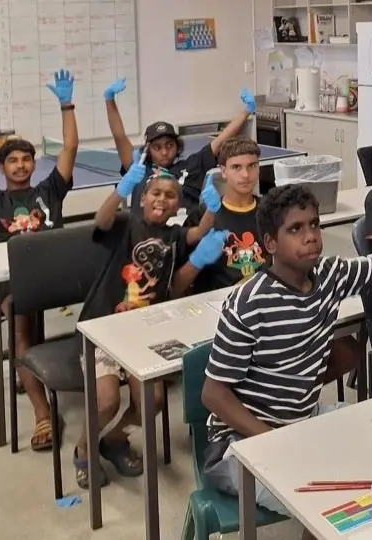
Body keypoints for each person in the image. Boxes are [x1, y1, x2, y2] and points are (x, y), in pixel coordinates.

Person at [200, 143, 372, 540]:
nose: (311, 237)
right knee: (333, 505)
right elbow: (213, 393)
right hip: (239, 443)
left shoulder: (329, 275)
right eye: (296, 229)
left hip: (301, 420)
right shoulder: (249, 302)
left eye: (314, 225)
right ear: (270, 244)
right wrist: (274, 439)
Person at [72, 158, 225, 488]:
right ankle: (84, 446)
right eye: (155, 192)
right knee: (107, 399)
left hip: (143, 332)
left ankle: (112, 439)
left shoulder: (174, 235)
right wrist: (119, 190)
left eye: (171, 195)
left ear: (178, 205)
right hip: (103, 329)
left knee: (153, 402)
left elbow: (198, 232)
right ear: (141, 198)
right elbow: (101, 219)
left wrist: (213, 208)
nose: (162, 199)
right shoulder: (126, 224)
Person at [0, 72, 79, 452]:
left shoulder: (48, 192)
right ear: (2, 168)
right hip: (12, 285)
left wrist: (66, 105)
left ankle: (69, 373)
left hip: (54, 278)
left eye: (26, 159)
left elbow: (70, 147)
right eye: (13, 161)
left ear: (33, 165)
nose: (20, 165)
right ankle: (43, 414)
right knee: (22, 333)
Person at [103, 78, 255, 214]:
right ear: (148, 150)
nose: (164, 152)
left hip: (185, 234)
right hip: (148, 235)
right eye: (157, 147)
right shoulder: (139, 170)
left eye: (169, 145)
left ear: (177, 147)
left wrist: (246, 111)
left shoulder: (192, 165)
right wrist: (109, 100)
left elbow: (222, 138)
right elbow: (119, 136)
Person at [187, 137, 269, 293]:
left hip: (263, 297)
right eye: (236, 167)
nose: (245, 175)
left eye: (252, 166)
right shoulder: (203, 216)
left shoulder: (271, 210)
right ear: (223, 171)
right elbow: (179, 283)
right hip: (217, 302)